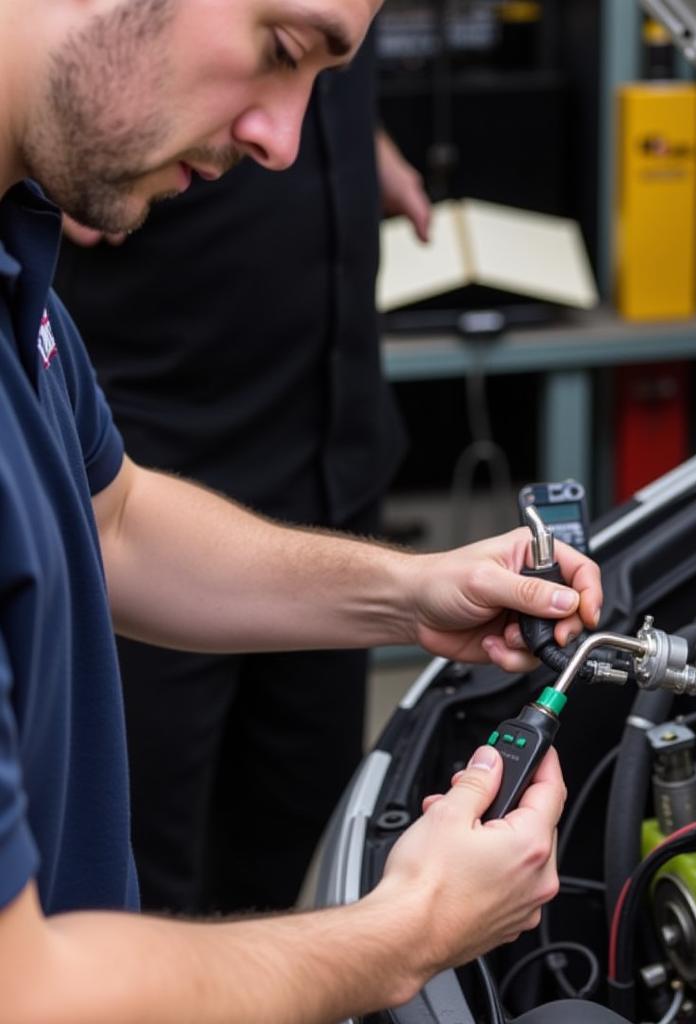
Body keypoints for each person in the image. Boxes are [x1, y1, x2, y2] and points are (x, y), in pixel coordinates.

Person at [0, 0, 603, 1019]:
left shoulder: (21, 267)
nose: (283, 142)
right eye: (279, 51)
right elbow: (28, 992)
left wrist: (409, 592)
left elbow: (115, 520)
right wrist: (410, 929)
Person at [55, 26, 431, 914]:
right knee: (139, 876)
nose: (280, 135)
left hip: (327, 458)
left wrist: (358, 140)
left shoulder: (302, 102)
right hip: (146, 474)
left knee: (292, 831)